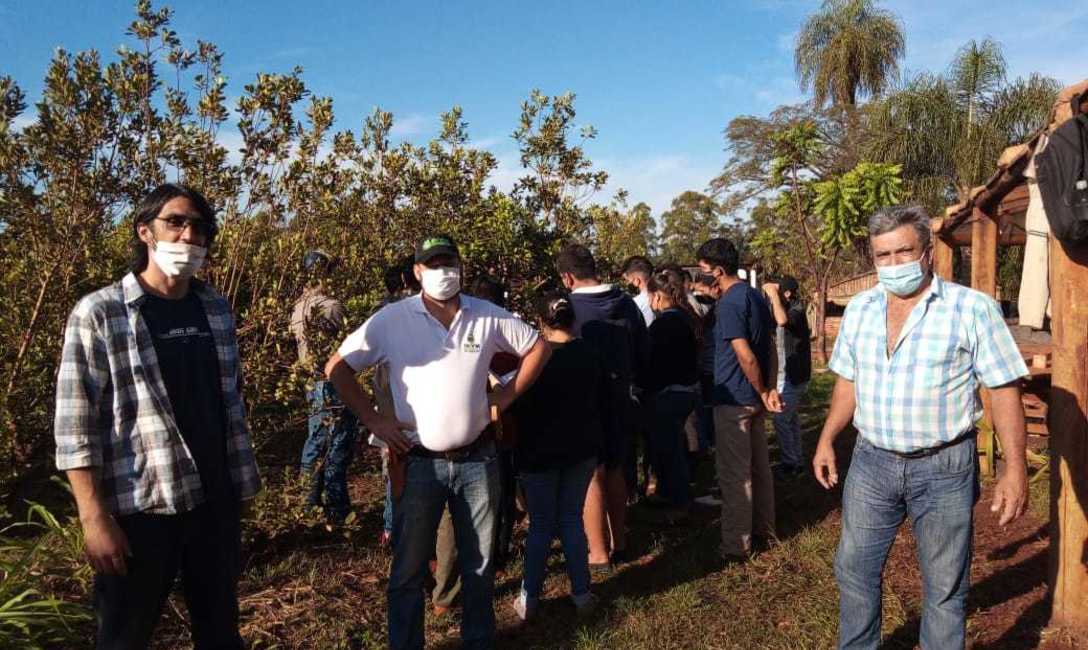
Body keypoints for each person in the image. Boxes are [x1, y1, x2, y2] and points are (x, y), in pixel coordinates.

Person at [54, 183, 261, 649]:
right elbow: (74, 425)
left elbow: (230, 403)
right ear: (145, 231)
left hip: (213, 503)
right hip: (141, 508)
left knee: (220, 631)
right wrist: (93, 517)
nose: (189, 236)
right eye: (175, 222)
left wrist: (239, 489)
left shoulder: (215, 308)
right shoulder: (100, 313)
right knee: (124, 636)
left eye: (200, 227)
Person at [813, 206, 1029, 650]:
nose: (894, 264)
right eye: (883, 255)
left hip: (944, 467)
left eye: (904, 252)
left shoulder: (972, 309)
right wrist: (827, 438)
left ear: (927, 253)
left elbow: (1003, 388)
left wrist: (1015, 468)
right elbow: (848, 382)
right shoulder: (860, 309)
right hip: (872, 463)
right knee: (854, 570)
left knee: (945, 586)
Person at [325, 234, 549, 650]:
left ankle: (478, 640)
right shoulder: (392, 320)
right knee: (408, 570)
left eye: (450, 262)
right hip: (417, 462)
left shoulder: (485, 315)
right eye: (433, 264)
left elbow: (538, 347)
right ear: (417, 272)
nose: (444, 271)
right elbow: (337, 367)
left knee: (479, 565)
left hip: (477, 460)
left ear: (461, 267)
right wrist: (373, 418)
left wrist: (506, 396)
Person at [511, 293, 604, 621]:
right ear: (573, 319)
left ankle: (530, 598)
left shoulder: (535, 359)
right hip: (580, 450)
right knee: (571, 520)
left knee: (540, 525)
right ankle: (581, 592)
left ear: (540, 322)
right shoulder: (590, 354)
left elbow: (519, 405)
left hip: (540, 454)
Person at [559, 244, 649, 567]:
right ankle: (619, 541)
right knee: (615, 469)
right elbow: (643, 350)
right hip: (621, 398)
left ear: (567, 277)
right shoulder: (626, 303)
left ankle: (597, 551)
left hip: (584, 404)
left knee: (590, 475)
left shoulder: (569, 309)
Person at [697, 237, 782, 562]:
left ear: (718, 271)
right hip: (754, 398)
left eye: (704, 270)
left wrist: (763, 389)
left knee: (735, 475)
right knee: (760, 469)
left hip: (735, 399)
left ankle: (736, 545)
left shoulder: (730, 303)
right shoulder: (755, 296)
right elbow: (770, 347)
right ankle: (764, 529)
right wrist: (768, 389)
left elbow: (745, 355)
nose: (703, 276)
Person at [290, 250, 358, 525]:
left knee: (316, 440)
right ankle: (336, 509)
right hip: (331, 381)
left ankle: (308, 505)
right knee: (337, 443)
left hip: (311, 380)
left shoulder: (299, 306)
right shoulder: (331, 306)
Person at [644, 270, 701, 520]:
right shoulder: (685, 317)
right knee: (672, 447)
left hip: (669, 394)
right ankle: (669, 494)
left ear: (657, 296)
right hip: (686, 391)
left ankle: (680, 504)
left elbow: (655, 363)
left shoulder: (664, 324)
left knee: (671, 452)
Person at [763, 276, 811, 479]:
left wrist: (773, 294)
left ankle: (790, 464)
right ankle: (797, 461)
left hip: (794, 376)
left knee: (781, 419)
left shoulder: (797, 309)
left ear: (788, 294)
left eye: (778, 292)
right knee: (791, 420)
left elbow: (782, 321)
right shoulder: (783, 307)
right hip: (785, 374)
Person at [621, 255, 656, 327]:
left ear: (636, 281)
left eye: (628, 280)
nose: (627, 283)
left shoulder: (635, 304)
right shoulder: (667, 294)